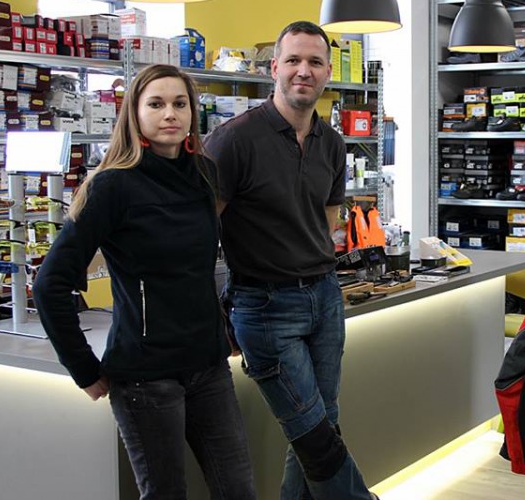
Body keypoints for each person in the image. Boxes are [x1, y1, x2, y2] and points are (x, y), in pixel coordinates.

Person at [34, 64, 257, 500]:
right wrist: (83, 369)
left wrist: (225, 329)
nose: (169, 113)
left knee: (238, 490)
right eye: (156, 104)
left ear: (192, 113)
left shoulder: (204, 174)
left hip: (208, 367)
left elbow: (202, 268)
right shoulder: (111, 187)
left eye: (179, 104)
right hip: (145, 378)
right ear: (134, 114)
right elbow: (50, 284)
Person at [204, 21, 377, 500]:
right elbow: (202, 233)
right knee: (313, 432)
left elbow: (326, 224)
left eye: (315, 62)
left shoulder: (333, 143)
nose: (305, 71)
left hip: (325, 297)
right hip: (263, 306)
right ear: (274, 68)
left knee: (321, 424)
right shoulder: (232, 140)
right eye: (294, 60)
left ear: (328, 73)